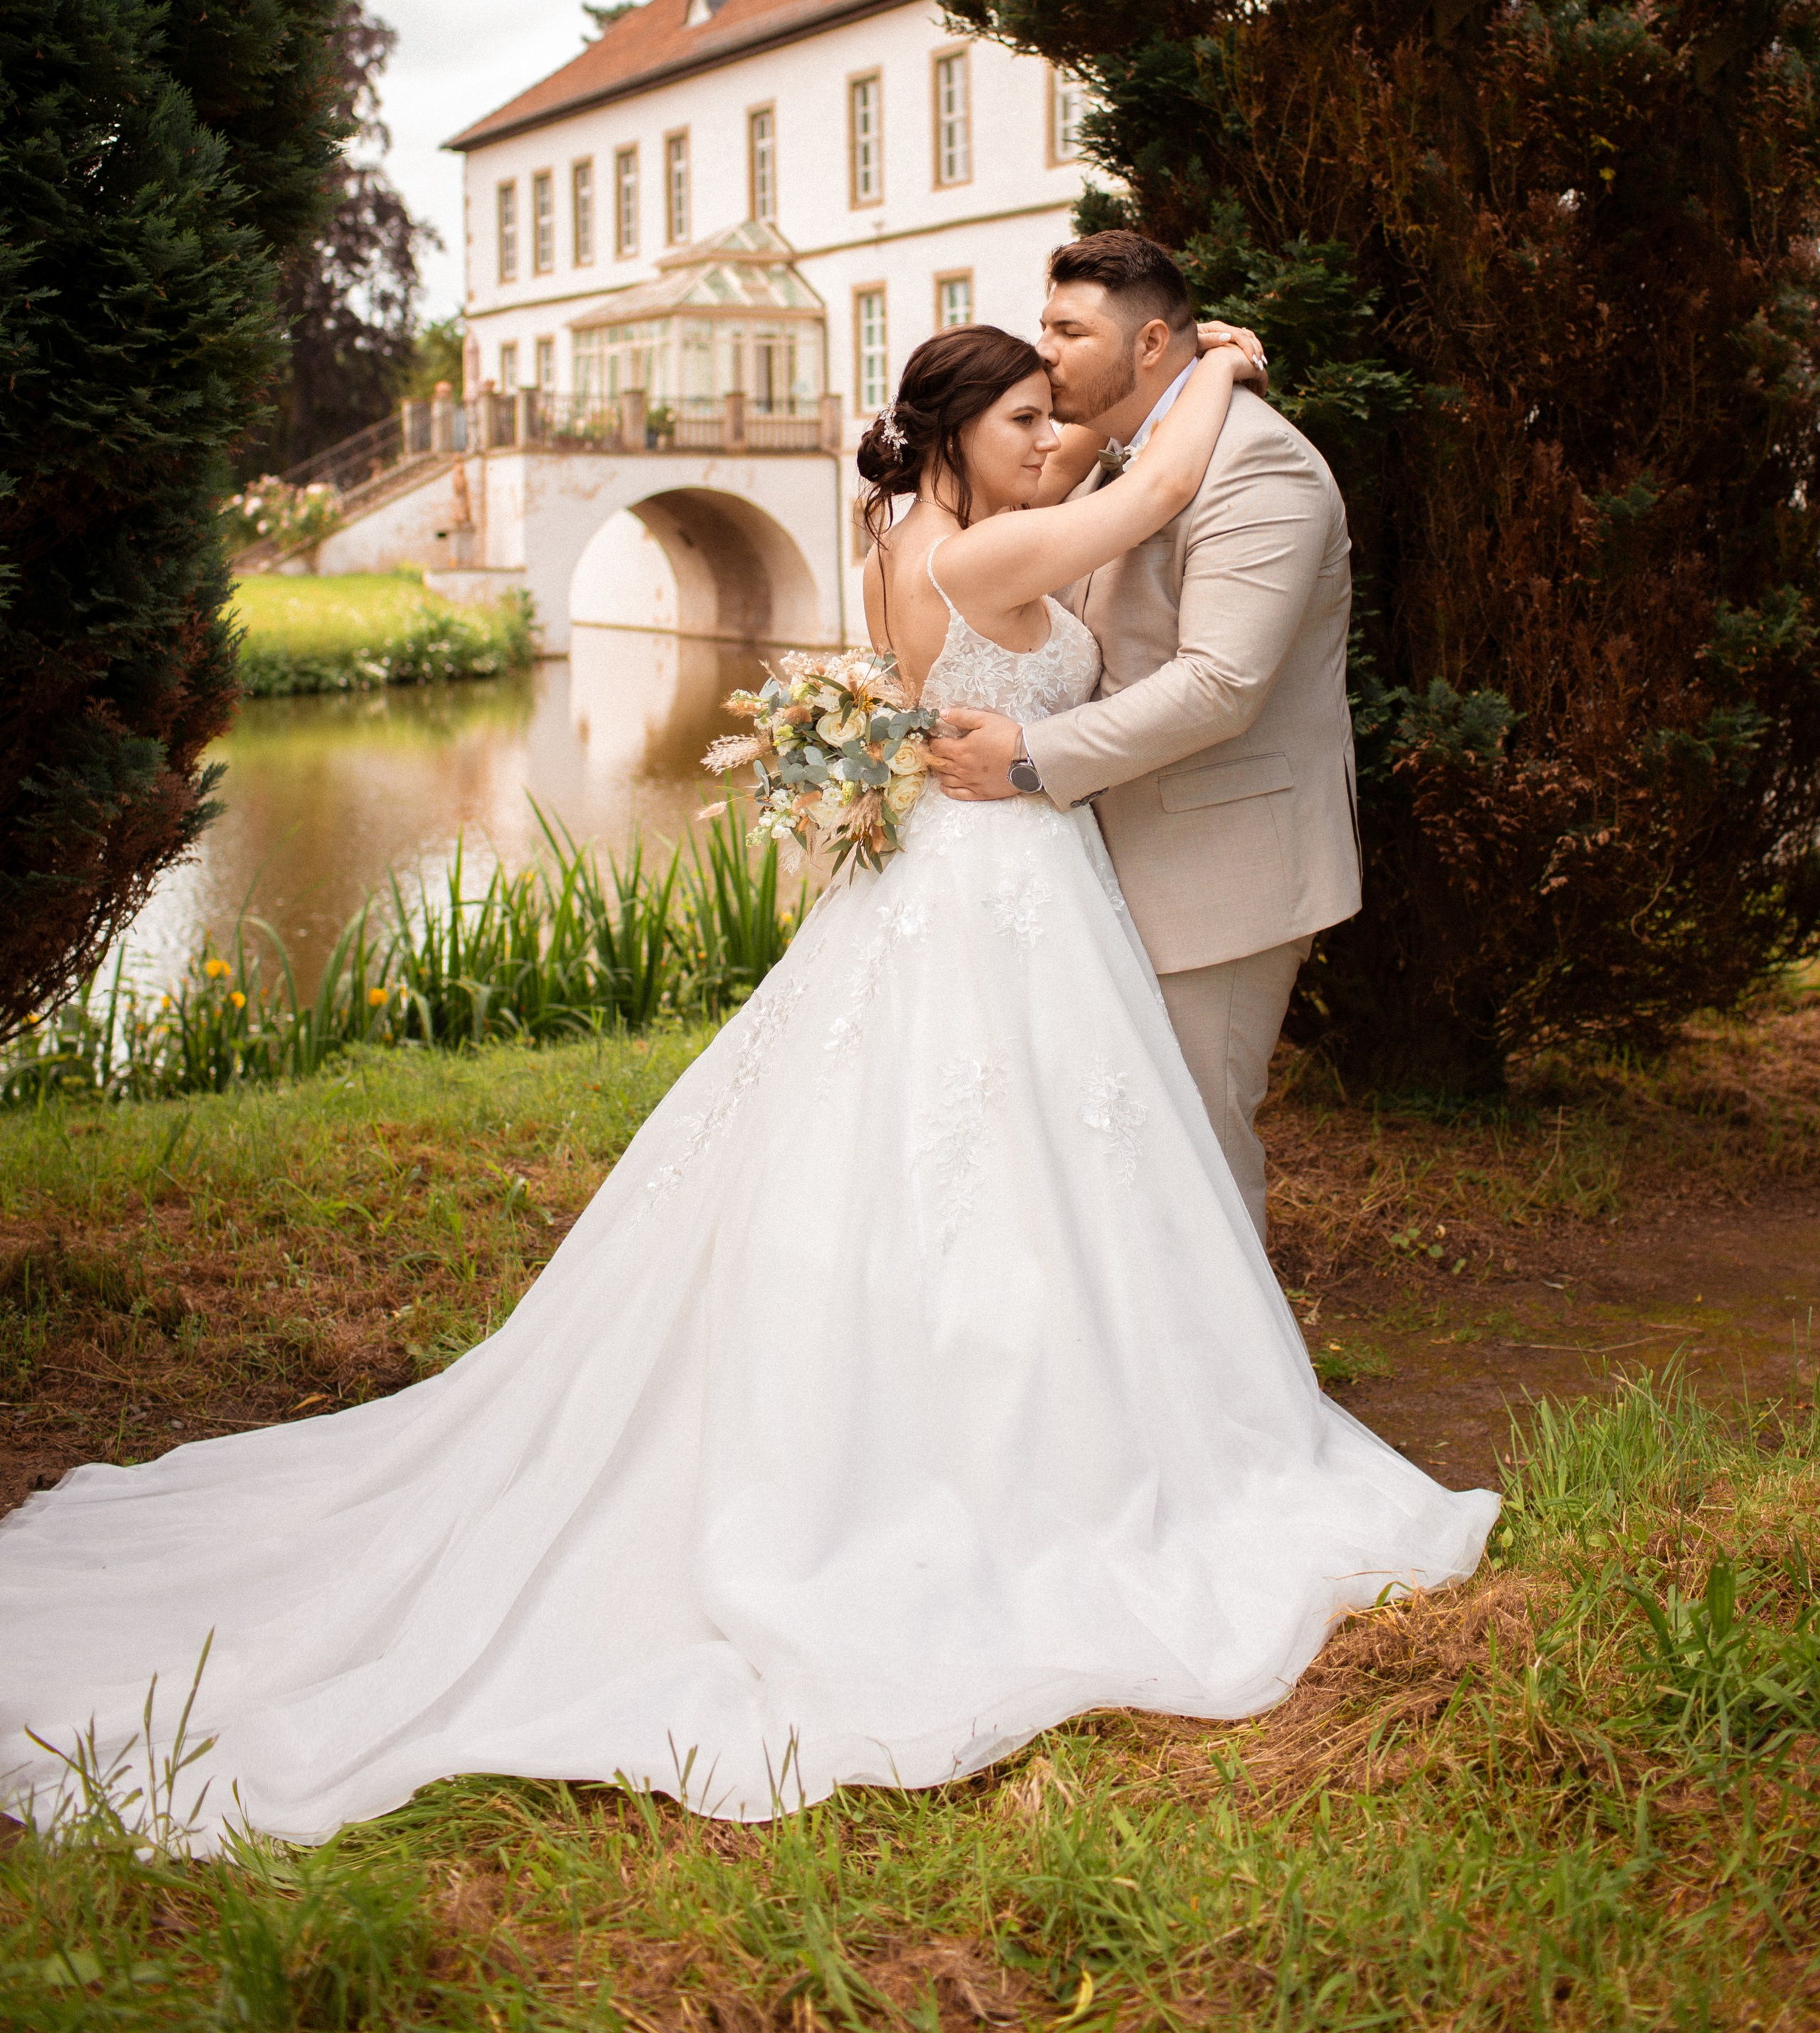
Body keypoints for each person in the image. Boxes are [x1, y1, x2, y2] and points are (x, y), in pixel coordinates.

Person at [0, 324, 1494, 1852]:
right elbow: (1154, 483)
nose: (1054, 438)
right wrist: (1223, 370)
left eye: (1059, 413)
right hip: (995, 885)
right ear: (960, 430)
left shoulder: (896, 539)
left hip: (958, 874)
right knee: (998, 1150)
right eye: (1030, 418)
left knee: (973, 1151)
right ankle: (1011, 1447)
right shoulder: (989, 559)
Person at [927, 231, 1359, 1242]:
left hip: (1220, 872)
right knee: (1125, 1153)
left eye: (1069, 330)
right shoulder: (1116, 462)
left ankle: (1237, 1395)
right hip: (1110, 861)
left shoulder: (1260, 470)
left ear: (1153, 342)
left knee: (1198, 1146)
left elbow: (1220, 686)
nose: (1046, 350)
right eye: (1044, 324)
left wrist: (1031, 756)